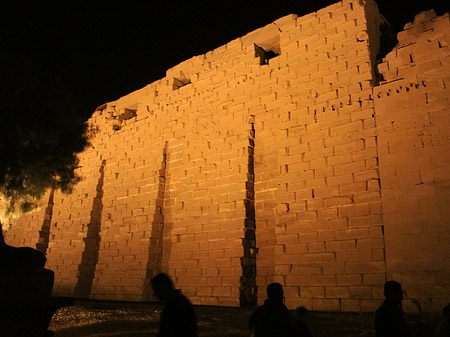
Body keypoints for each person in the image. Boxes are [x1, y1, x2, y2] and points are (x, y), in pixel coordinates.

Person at [150, 272, 198, 337]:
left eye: (156, 290)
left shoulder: (173, 306)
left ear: (163, 288)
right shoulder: (179, 301)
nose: (155, 294)